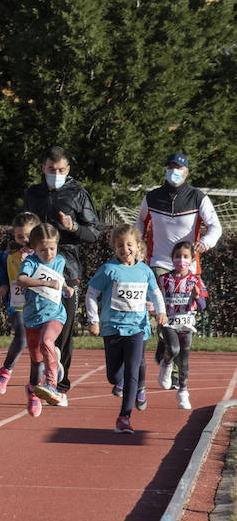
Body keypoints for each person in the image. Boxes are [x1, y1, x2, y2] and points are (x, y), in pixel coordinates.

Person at [22, 146, 101, 392]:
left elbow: (94, 232)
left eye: (61, 170)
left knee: (63, 331)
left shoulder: (78, 194)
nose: (56, 173)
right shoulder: (33, 194)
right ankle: (39, 376)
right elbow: (25, 225)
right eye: (51, 169)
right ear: (43, 169)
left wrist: (74, 227)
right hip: (37, 269)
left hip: (67, 268)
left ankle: (61, 386)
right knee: (36, 331)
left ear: (68, 170)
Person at [85, 226, 166, 434]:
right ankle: (121, 384)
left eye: (129, 244)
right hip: (112, 328)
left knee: (132, 369)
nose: (125, 249)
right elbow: (91, 293)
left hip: (137, 328)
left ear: (138, 246)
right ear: (114, 248)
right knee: (114, 376)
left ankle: (124, 417)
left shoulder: (145, 271)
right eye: (119, 245)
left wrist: (161, 312)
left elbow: (156, 294)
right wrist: (93, 320)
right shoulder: (108, 270)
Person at [17, 223, 73, 416]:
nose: (48, 253)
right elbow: (22, 280)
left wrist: (66, 288)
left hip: (55, 314)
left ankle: (51, 385)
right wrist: (45, 283)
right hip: (33, 317)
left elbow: (60, 277)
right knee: (36, 361)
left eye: (52, 248)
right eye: (43, 250)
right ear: (34, 248)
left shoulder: (59, 260)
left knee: (46, 340)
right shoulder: (31, 262)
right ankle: (33, 392)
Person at [137, 152, 222, 274]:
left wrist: (205, 242)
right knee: (159, 293)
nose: (174, 171)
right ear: (165, 170)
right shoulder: (151, 197)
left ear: (186, 172)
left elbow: (215, 226)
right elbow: (141, 221)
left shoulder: (198, 197)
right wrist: (138, 245)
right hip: (158, 262)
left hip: (187, 265)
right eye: (170, 168)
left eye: (178, 168)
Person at [0, 212, 41, 395]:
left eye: (29, 235)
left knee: (39, 348)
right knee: (21, 337)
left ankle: (36, 386)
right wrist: (1, 285)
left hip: (39, 306)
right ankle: (6, 371)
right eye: (20, 236)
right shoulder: (6, 256)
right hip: (17, 303)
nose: (25, 240)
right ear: (14, 236)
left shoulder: (43, 254)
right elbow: (0, 274)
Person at [155, 241, 208, 410]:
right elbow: (155, 299)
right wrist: (156, 313)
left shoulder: (195, 280)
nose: (181, 260)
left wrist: (197, 297)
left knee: (184, 362)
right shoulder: (163, 279)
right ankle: (166, 364)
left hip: (186, 324)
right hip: (169, 322)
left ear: (192, 259)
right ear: (172, 259)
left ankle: (183, 393)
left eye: (185, 257)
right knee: (173, 349)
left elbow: (203, 305)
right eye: (177, 256)